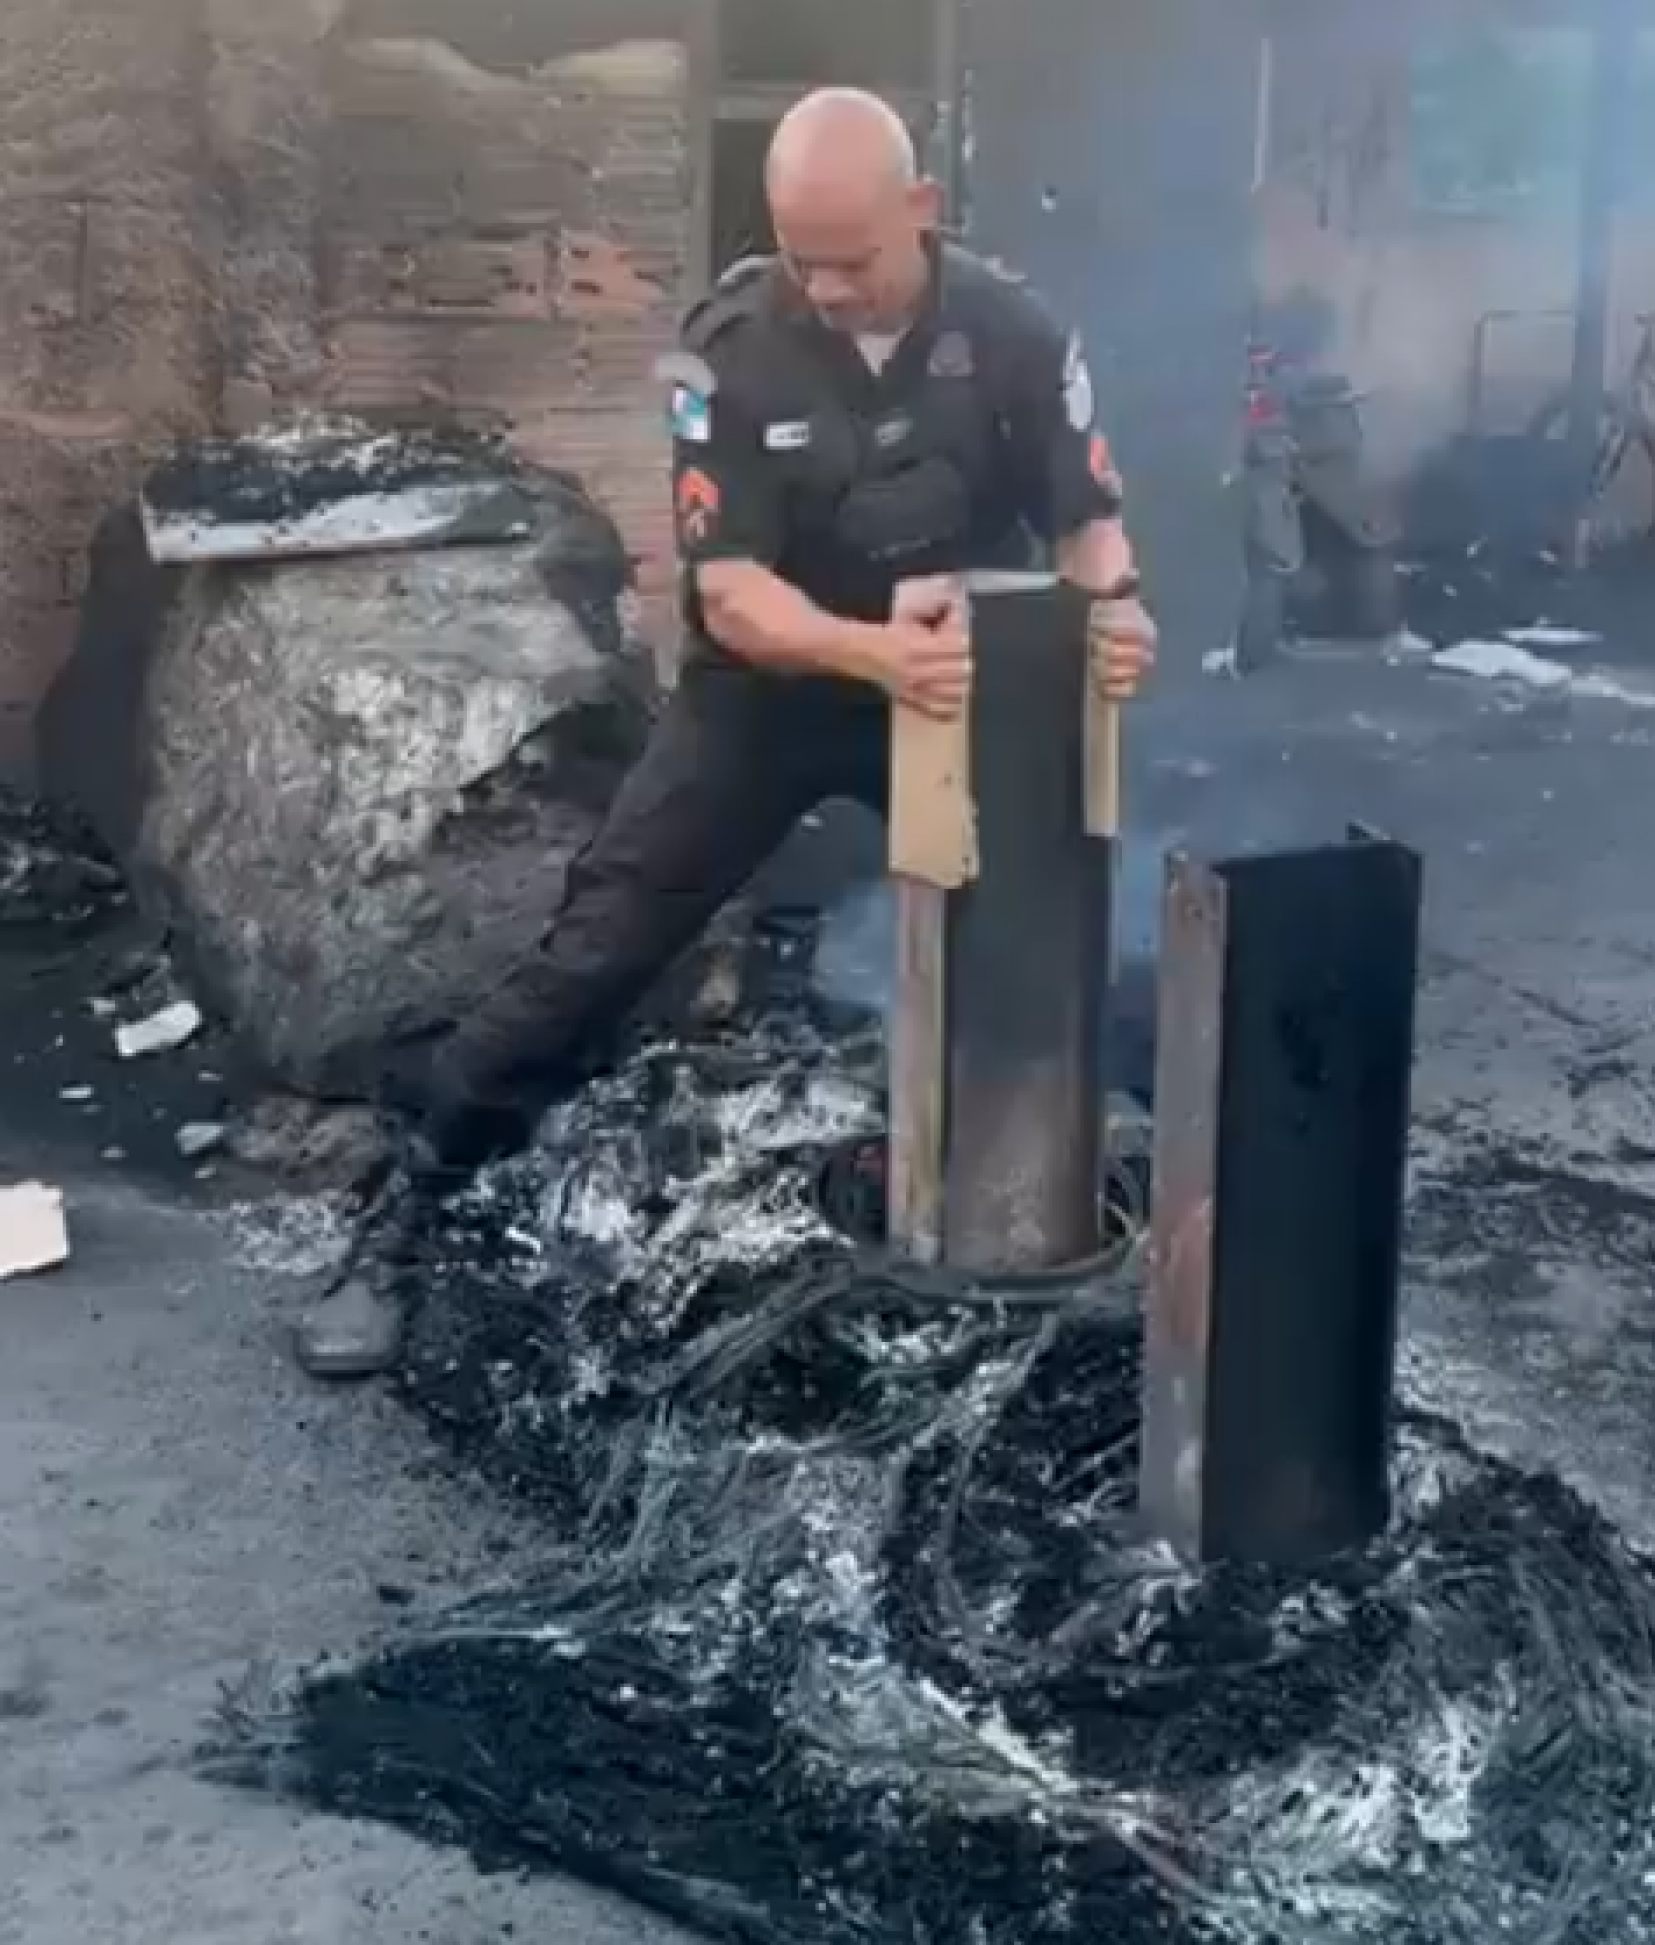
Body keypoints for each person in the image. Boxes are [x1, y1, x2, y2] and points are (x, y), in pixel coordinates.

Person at [295, 86, 1158, 1379]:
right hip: (768, 692)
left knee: (1062, 928)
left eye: (852, 259)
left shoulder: (1014, 329)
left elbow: (1085, 520)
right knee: (601, 945)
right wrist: (869, 652)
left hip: (953, 683)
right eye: (802, 258)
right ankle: (413, 1201)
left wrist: (1114, 609)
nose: (825, 288)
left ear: (922, 209)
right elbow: (732, 594)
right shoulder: (728, 349)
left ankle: (1085, 1199)